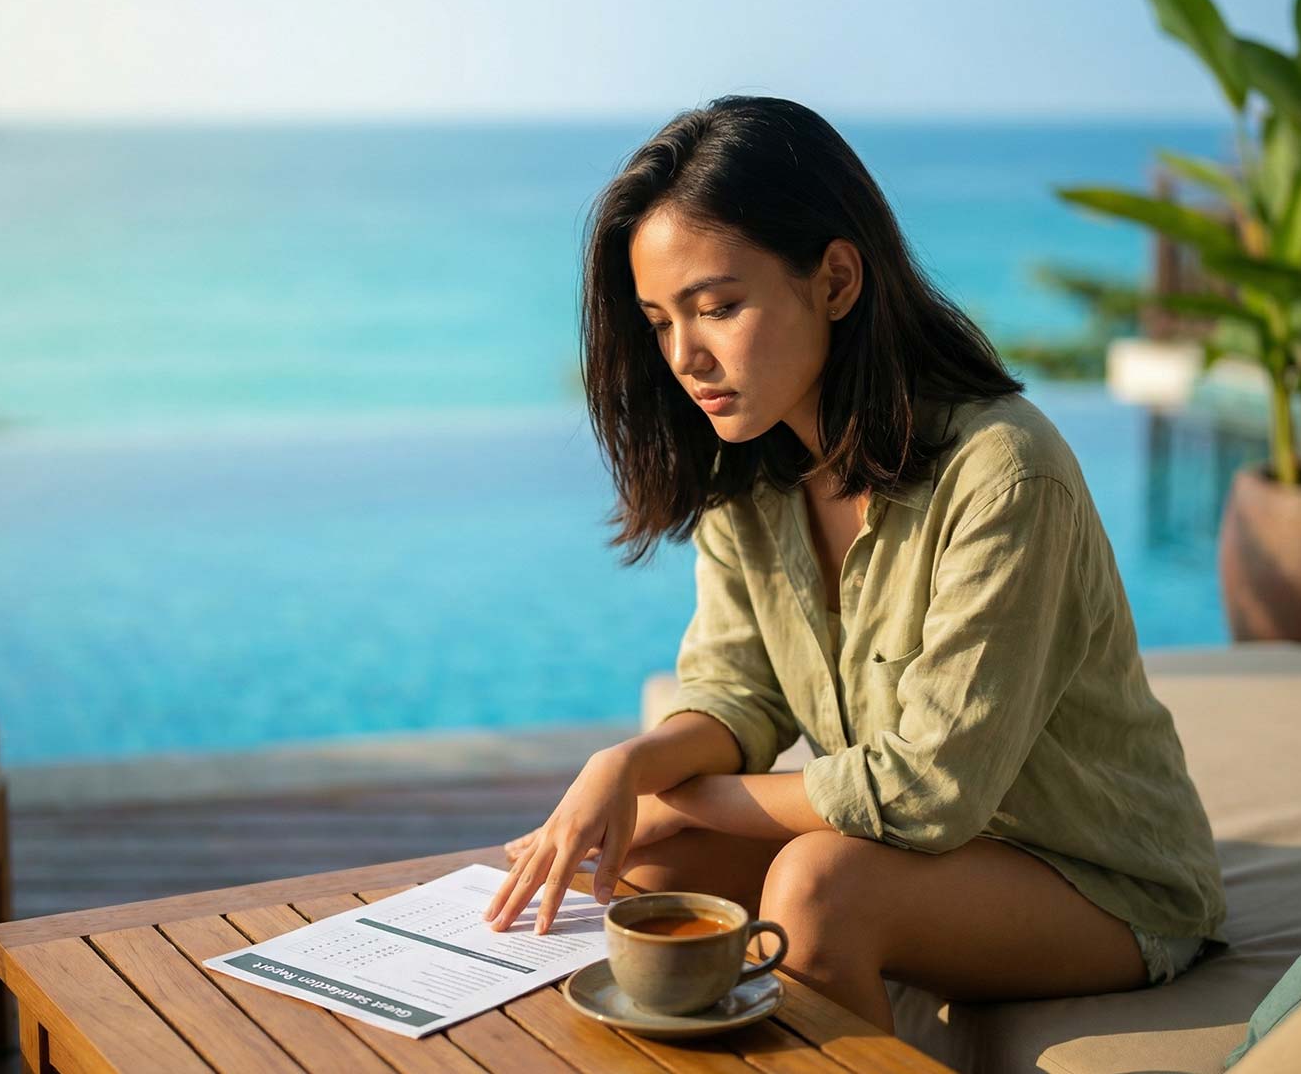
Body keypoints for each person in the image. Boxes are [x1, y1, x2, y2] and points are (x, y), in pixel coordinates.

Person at [480, 96, 1228, 1032]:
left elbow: (927, 795)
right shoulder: (749, 474)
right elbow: (737, 692)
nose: (687, 357)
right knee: (642, 875)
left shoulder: (1005, 475)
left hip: (1100, 881)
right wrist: (626, 766)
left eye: (718, 307)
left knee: (820, 887)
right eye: (660, 320)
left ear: (835, 279)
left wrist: (686, 795)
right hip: (923, 853)